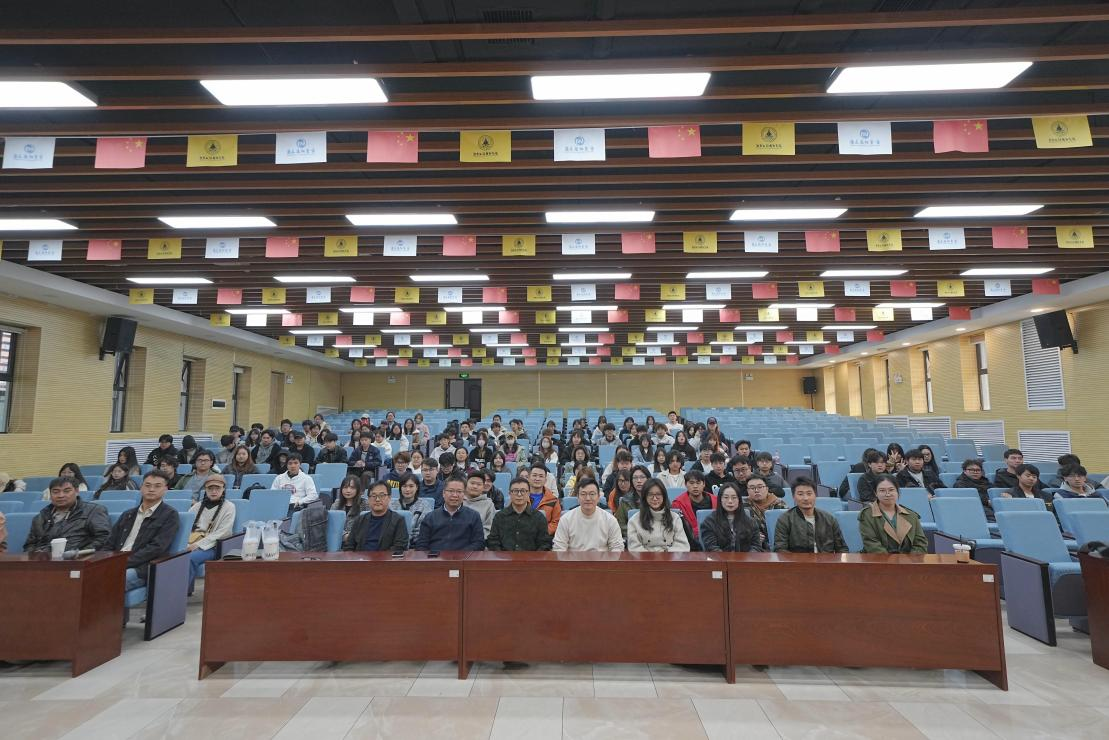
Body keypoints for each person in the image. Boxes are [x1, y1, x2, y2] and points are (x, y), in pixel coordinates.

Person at [103, 471, 181, 591]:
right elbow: (110, 542)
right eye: (147, 485)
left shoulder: (170, 515)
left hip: (142, 567)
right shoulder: (128, 514)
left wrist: (123, 563)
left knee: (108, 580)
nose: (151, 489)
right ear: (141, 487)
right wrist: (102, 561)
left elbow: (157, 548)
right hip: (118, 560)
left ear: (165, 489)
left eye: (157, 486)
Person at [24, 476, 111, 553]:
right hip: (42, 561)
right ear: (50, 494)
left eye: (66, 491)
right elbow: (30, 545)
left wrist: (79, 554)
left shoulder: (94, 511)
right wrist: (35, 556)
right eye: (56, 492)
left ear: (77, 491)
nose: (61, 495)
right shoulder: (40, 517)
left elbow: (103, 538)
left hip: (77, 560)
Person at [185, 474, 235, 591]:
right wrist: (187, 544)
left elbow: (223, 532)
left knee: (190, 558)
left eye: (217, 488)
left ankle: (182, 592)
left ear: (223, 489)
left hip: (212, 546)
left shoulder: (229, 507)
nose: (213, 491)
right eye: (210, 488)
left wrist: (198, 545)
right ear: (205, 489)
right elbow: (186, 527)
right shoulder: (197, 506)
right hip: (191, 542)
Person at [774, 478, 849, 554]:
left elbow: (842, 548)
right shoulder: (785, 520)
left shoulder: (829, 519)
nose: (806, 498)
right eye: (800, 494)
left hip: (825, 560)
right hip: (797, 561)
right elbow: (780, 549)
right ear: (793, 497)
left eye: (809, 494)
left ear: (815, 495)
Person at [858, 475, 928, 554]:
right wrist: (893, 561)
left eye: (891, 490)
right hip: (878, 559)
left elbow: (920, 543)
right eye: (882, 490)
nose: (887, 494)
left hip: (909, 560)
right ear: (875, 493)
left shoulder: (911, 515)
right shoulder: (867, 515)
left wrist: (910, 560)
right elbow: (871, 544)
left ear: (897, 491)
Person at [412, 476, 485, 551]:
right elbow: (421, 544)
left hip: (464, 557)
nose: (455, 495)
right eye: (451, 491)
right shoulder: (430, 517)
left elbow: (479, 543)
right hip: (436, 557)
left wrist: (461, 554)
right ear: (443, 493)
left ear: (464, 494)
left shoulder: (473, 516)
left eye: (459, 491)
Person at [552, 478, 624, 552]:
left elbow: (617, 547)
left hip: (601, 558)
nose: (588, 498)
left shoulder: (610, 520)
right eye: (583, 494)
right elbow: (559, 548)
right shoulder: (566, 519)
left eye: (592, 494)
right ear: (578, 497)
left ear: (598, 497)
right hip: (574, 558)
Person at [486, 476, 554, 551]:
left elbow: (545, 544)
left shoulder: (539, 517)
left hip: (531, 558)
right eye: (515, 491)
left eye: (523, 491)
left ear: (529, 493)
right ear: (509, 493)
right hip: (505, 557)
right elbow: (493, 542)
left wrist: (534, 557)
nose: (519, 494)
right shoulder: (500, 516)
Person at [627, 479, 690, 552]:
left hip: (669, 557)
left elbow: (682, 546)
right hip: (644, 558)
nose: (654, 498)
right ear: (645, 497)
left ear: (664, 496)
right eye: (650, 494)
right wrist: (652, 557)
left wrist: (665, 555)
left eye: (658, 494)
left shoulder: (675, 518)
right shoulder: (634, 521)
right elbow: (634, 548)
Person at [344, 481, 410, 552]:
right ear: (368, 499)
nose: (377, 499)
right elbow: (349, 546)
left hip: (387, 558)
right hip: (361, 557)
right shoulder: (360, 520)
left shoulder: (398, 520)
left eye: (382, 495)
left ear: (389, 498)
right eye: (373, 496)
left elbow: (400, 547)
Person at [702, 482, 766, 552]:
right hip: (719, 558)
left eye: (734, 497)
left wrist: (747, 557)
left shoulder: (751, 522)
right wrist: (726, 558)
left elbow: (756, 547)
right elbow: (711, 547)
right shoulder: (709, 522)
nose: (730, 501)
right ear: (720, 499)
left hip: (745, 558)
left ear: (739, 500)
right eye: (726, 497)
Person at [670, 469, 717, 540]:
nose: (695, 486)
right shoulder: (678, 504)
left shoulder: (715, 500)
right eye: (691, 483)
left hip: (715, 536)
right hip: (689, 539)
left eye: (698, 483)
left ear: (704, 484)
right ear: (685, 484)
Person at [390, 472, 433, 542]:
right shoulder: (391, 505)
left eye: (411, 486)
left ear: (417, 487)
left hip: (416, 543)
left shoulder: (424, 505)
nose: (407, 489)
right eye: (404, 486)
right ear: (400, 488)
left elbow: (425, 530)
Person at [525, 462, 562, 535]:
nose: (537, 479)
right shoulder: (519, 496)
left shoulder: (553, 500)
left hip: (544, 537)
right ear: (528, 478)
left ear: (545, 480)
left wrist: (542, 532)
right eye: (534, 475)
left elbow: (556, 522)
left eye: (541, 476)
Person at [745, 475, 786, 540]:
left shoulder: (779, 504)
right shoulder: (743, 505)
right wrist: (752, 535)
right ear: (747, 491)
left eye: (760, 487)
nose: (756, 490)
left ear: (767, 488)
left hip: (777, 541)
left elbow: (788, 527)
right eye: (752, 488)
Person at [332, 474, 367, 545]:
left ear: (358, 489)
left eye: (352, 488)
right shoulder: (336, 504)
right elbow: (332, 525)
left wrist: (351, 536)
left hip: (357, 542)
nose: (348, 491)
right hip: (337, 541)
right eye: (345, 487)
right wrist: (344, 535)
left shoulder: (365, 504)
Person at [462, 470, 497, 537]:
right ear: (466, 484)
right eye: (472, 483)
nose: (475, 486)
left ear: (483, 487)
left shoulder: (489, 504)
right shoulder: (458, 500)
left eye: (479, 484)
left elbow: (489, 529)